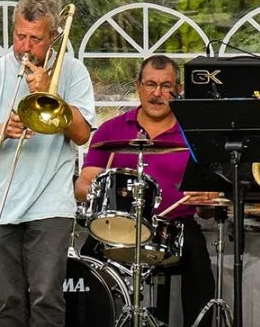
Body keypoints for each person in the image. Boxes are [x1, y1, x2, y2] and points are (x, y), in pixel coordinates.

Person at [0, 0, 95, 327]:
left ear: (52, 38)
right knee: (8, 303)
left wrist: (50, 93)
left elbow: (82, 135)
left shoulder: (73, 73)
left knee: (47, 300)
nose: (25, 47)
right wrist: (3, 130)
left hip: (51, 204)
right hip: (1, 205)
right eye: (20, 36)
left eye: (35, 39)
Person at [74, 55, 216, 327]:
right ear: (138, 85)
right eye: (150, 84)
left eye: (166, 86)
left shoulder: (193, 134)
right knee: (86, 266)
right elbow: (82, 186)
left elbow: (208, 208)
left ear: (179, 90)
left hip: (175, 228)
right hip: (118, 227)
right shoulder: (111, 131)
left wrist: (205, 200)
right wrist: (98, 190)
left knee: (199, 263)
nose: (157, 93)